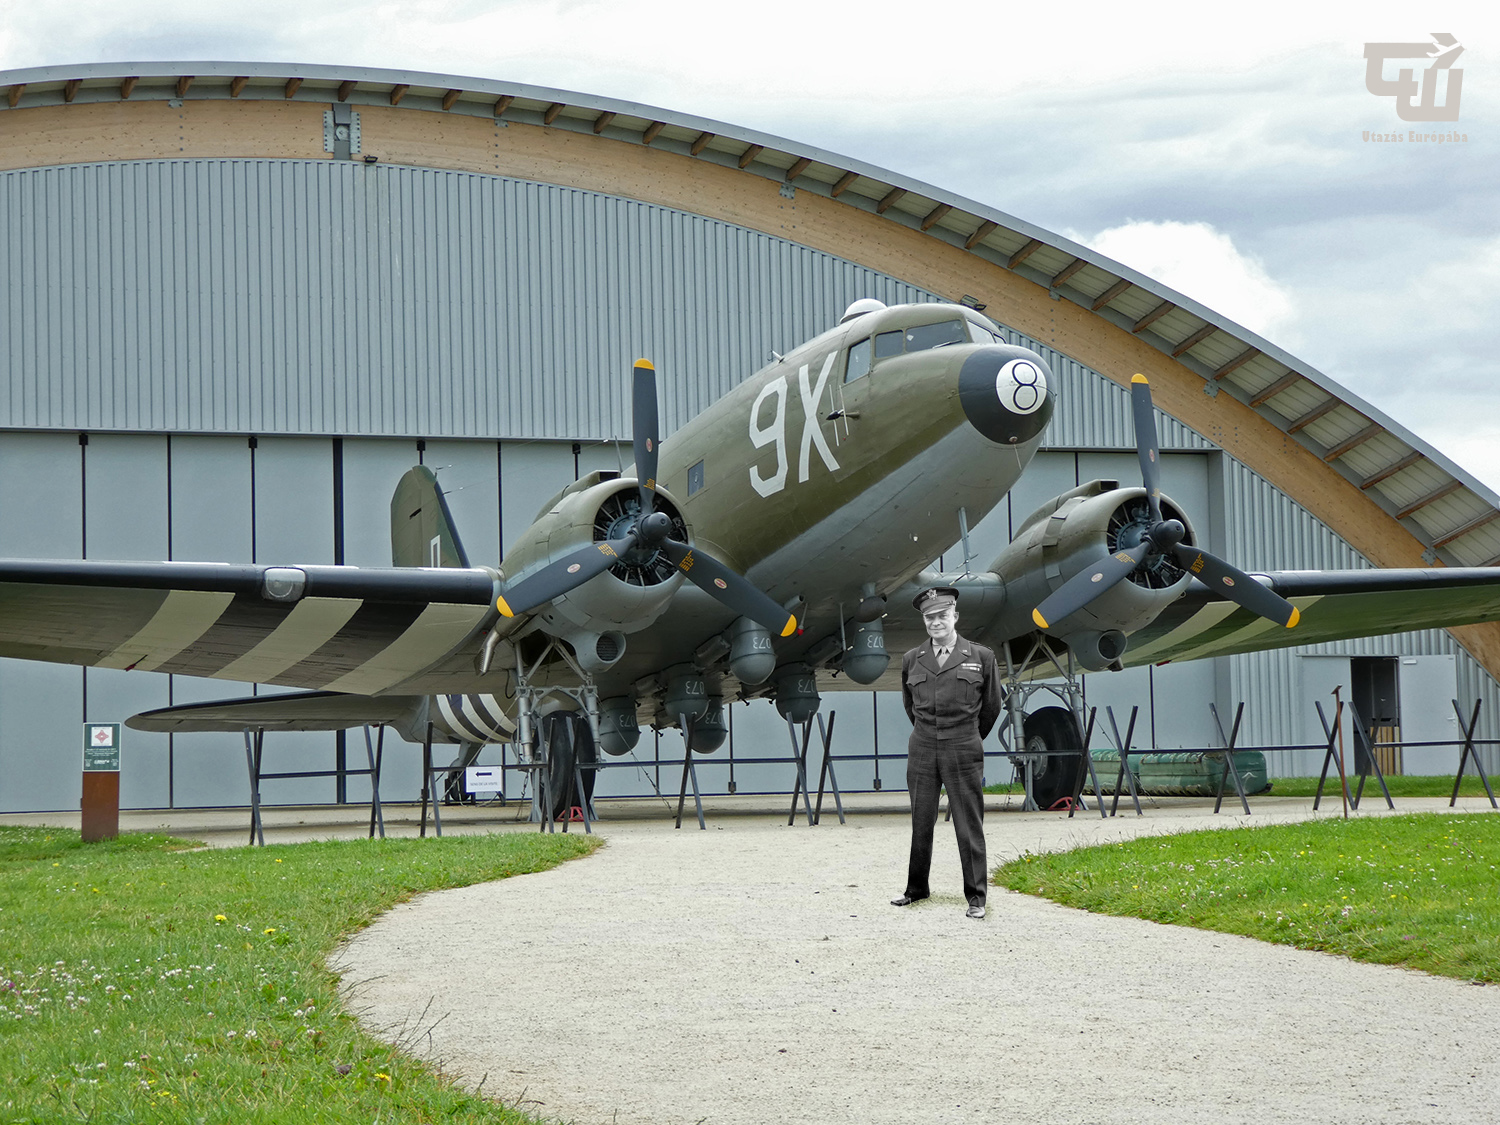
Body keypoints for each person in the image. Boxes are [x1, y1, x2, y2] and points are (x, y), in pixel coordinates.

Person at [891, 585, 1003, 919]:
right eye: (929, 618)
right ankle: (916, 889)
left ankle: (976, 896)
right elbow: (910, 706)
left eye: (942, 616)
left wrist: (968, 736)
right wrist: (929, 733)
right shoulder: (913, 658)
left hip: (962, 745)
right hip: (923, 746)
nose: (936, 623)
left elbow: (992, 707)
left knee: (969, 823)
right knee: (920, 820)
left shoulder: (981, 657)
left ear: (955, 616)